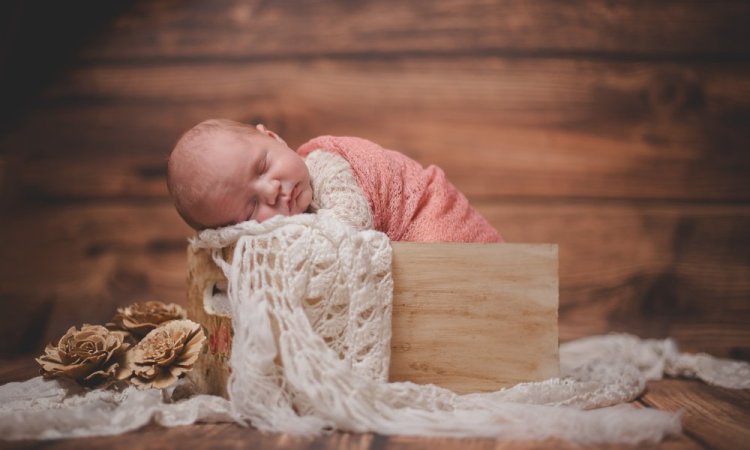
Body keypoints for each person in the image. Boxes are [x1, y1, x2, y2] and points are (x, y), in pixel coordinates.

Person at [167, 119, 502, 243]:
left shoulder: (328, 167)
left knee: (440, 257)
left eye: (262, 166)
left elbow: (346, 232)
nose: (271, 190)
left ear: (273, 137)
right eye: (251, 207)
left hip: (427, 213)